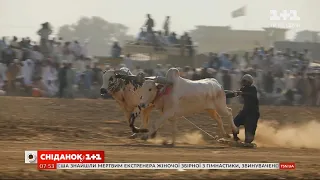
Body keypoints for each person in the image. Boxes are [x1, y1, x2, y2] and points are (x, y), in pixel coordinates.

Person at [225, 74, 260, 147]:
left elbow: (252, 95)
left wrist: (243, 93)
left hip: (253, 113)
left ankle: (248, 142)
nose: (243, 82)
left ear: (248, 82)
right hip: (245, 112)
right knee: (234, 123)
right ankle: (235, 138)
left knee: (249, 133)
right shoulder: (243, 89)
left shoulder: (253, 88)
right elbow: (234, 94)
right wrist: (223, 94)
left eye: (244, 81)